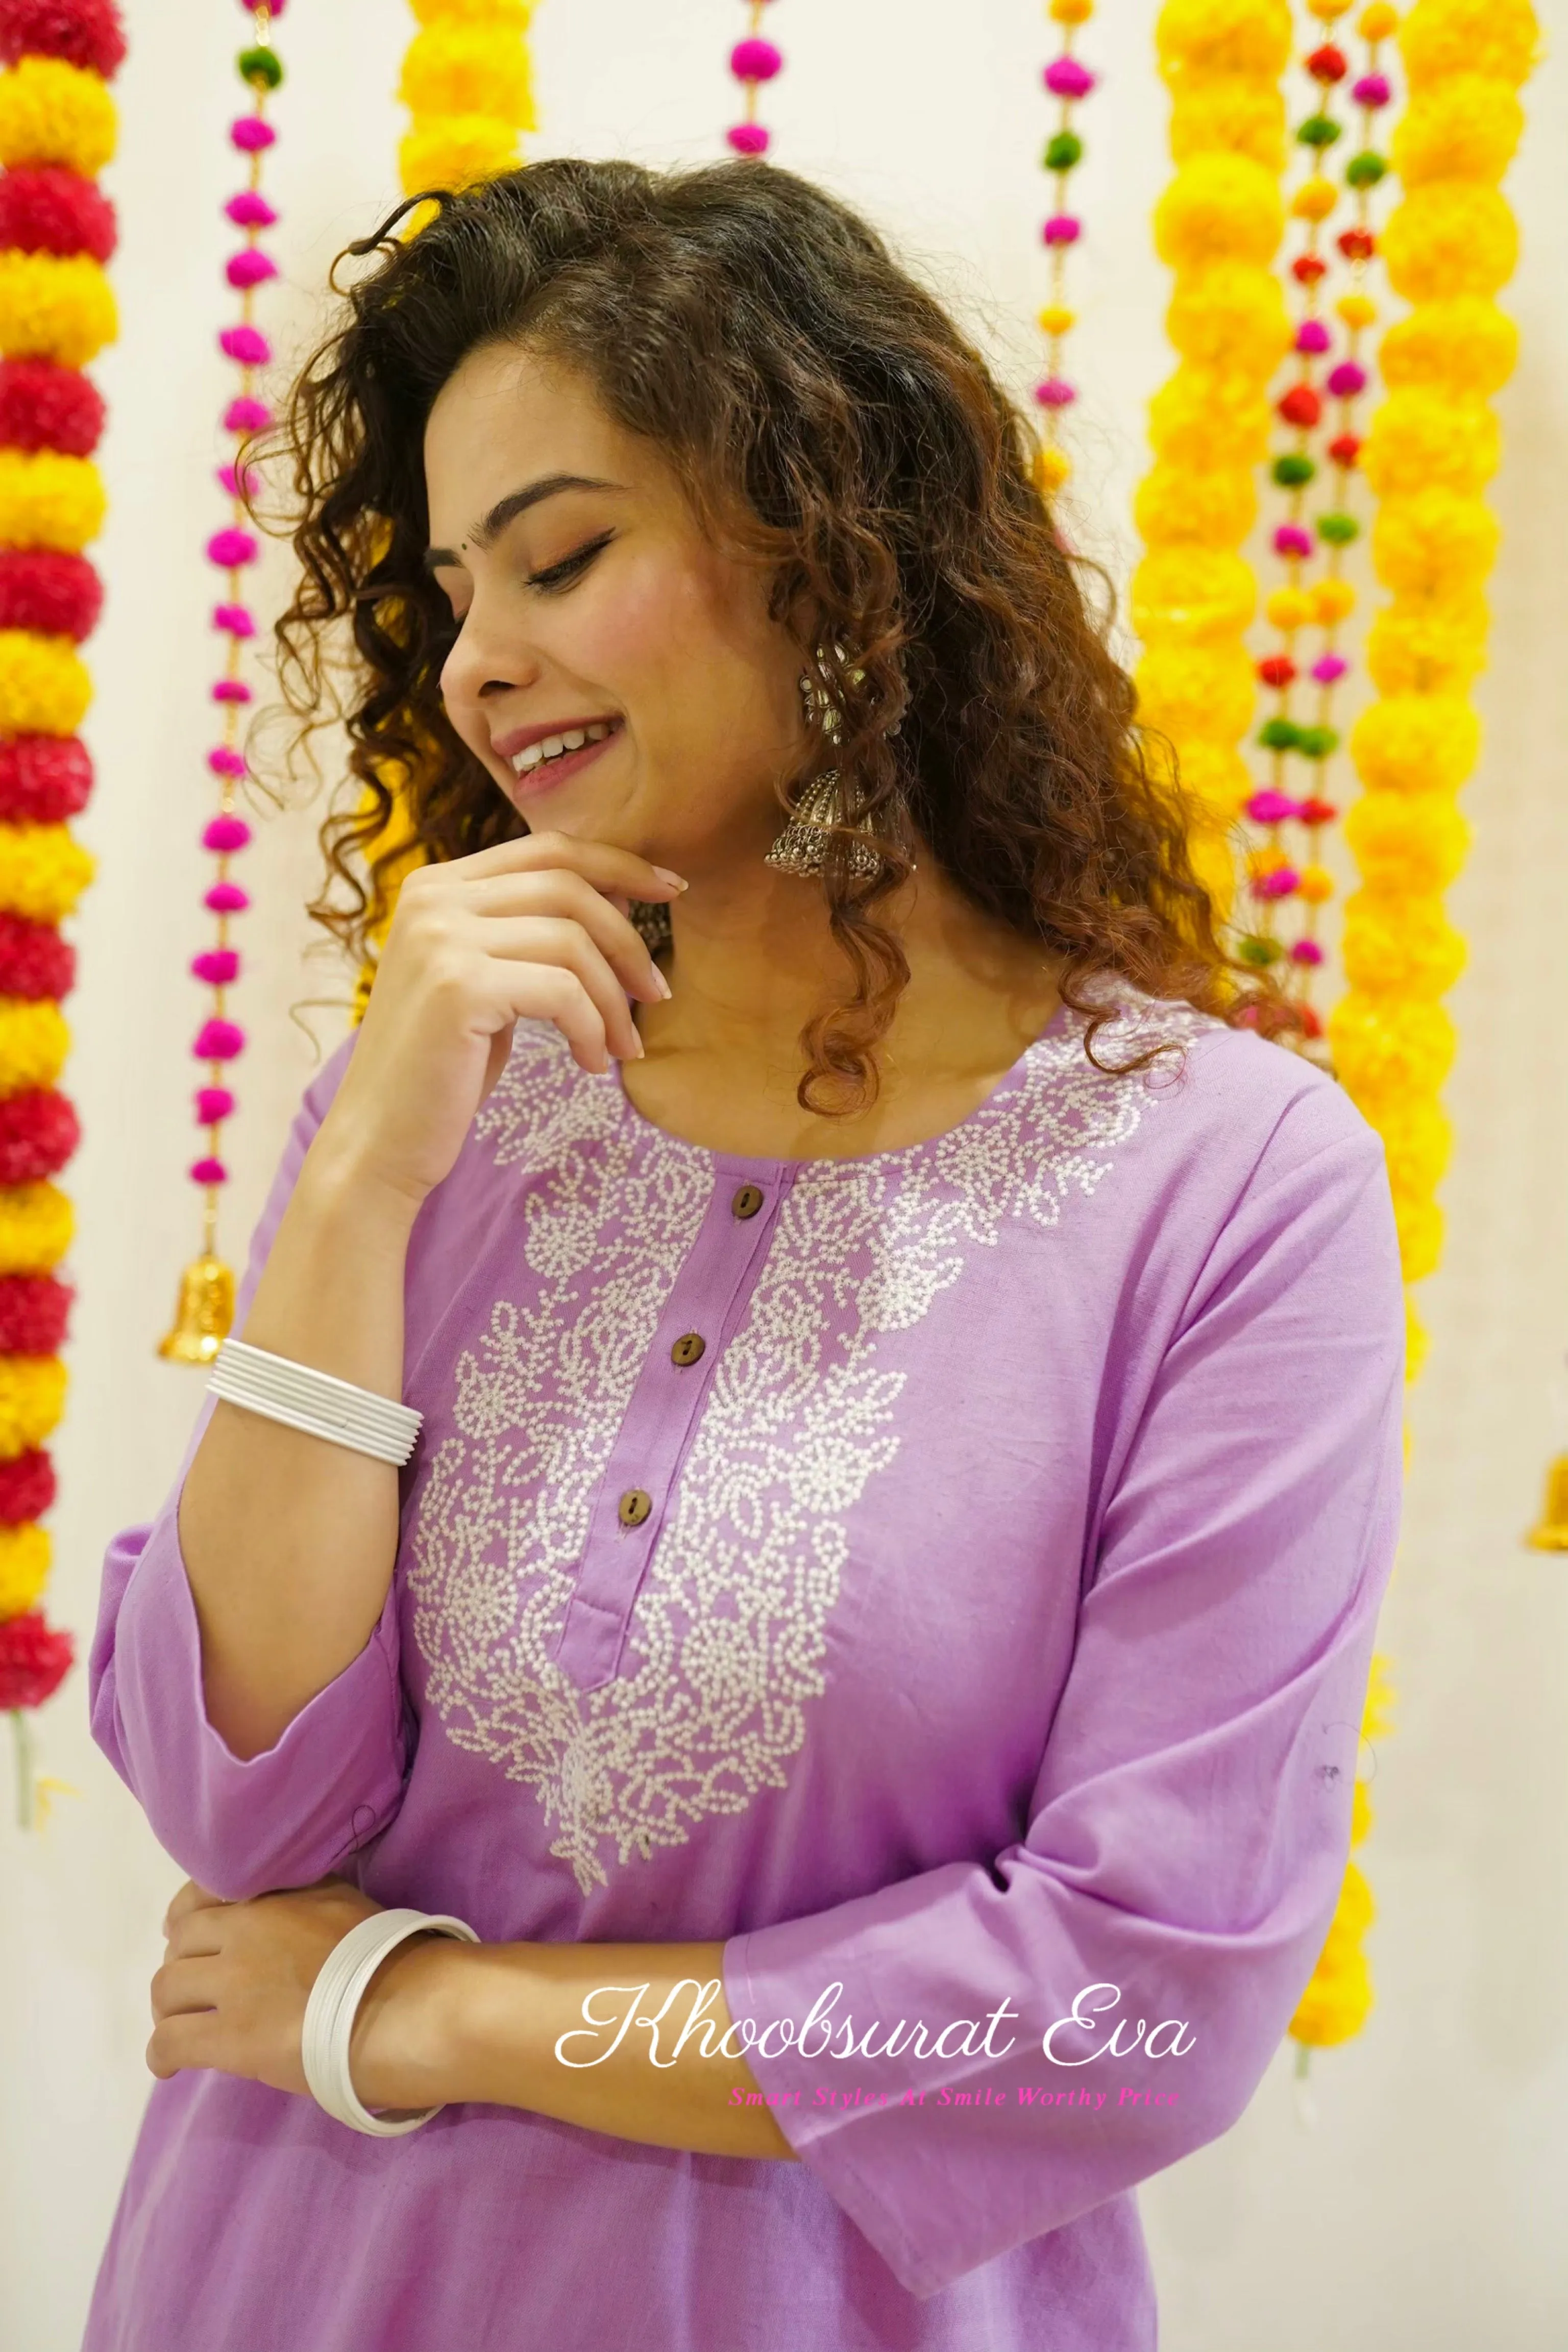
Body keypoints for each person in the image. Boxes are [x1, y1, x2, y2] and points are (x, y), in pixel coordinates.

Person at [84, 159, 1405, 2352]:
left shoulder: (1231, 1188)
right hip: (283, 2287)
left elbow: (1127, 2001)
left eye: (562, 556)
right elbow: (241, 1792)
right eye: (446, 596)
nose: (485, 663)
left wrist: (431, 2018)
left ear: (835, 547)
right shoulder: (443, 1104)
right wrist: (348, 1198)